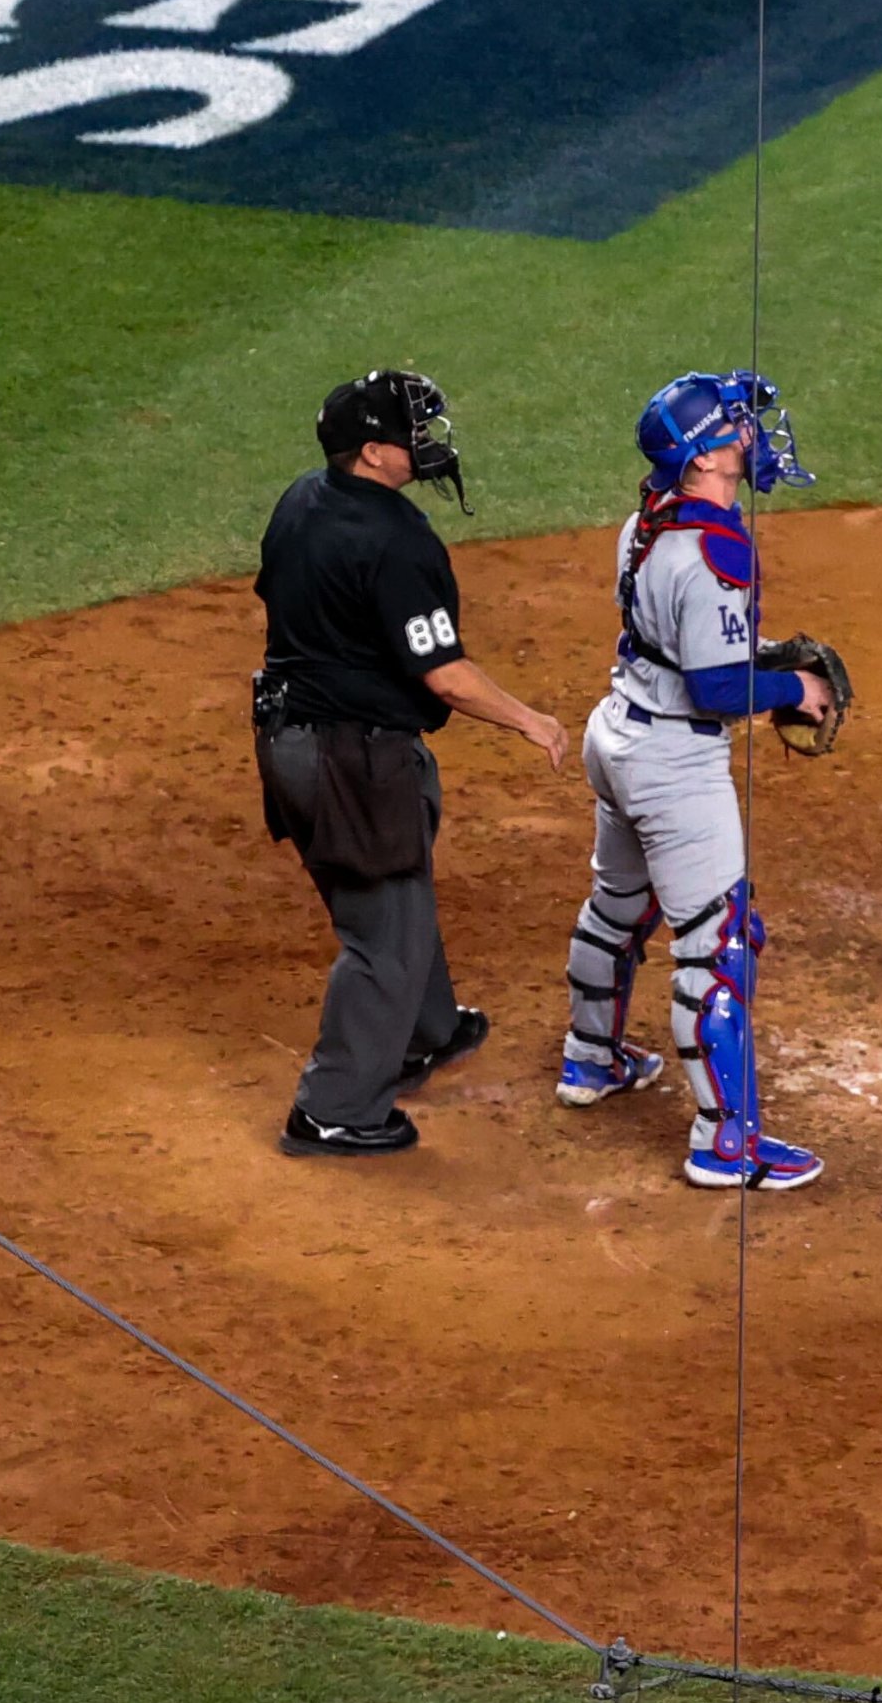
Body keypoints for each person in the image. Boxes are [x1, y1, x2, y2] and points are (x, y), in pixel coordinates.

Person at [252, 368, 575, 1159]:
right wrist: (530, 719)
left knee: (397, 888)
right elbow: (444, 675)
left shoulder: (302, 497)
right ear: (372, 453)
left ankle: (425, 1029)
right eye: (410, 434)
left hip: (289, 735)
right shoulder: (396, 540)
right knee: (382, 936)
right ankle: (332, 1108)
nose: (424, 444)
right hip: (349, 757)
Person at [552, 370, 843, 1191]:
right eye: (739, 429)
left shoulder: (648, 517)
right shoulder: (718, 548)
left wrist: (757, 655)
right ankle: (728, 1142)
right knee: (717, 948)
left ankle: (590, 1056)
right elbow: (717, 689)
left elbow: (683, 641)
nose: (753, 439)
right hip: (675, 765)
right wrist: (796, 688)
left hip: (617, 734)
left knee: (619, 903)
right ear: (708, 456)